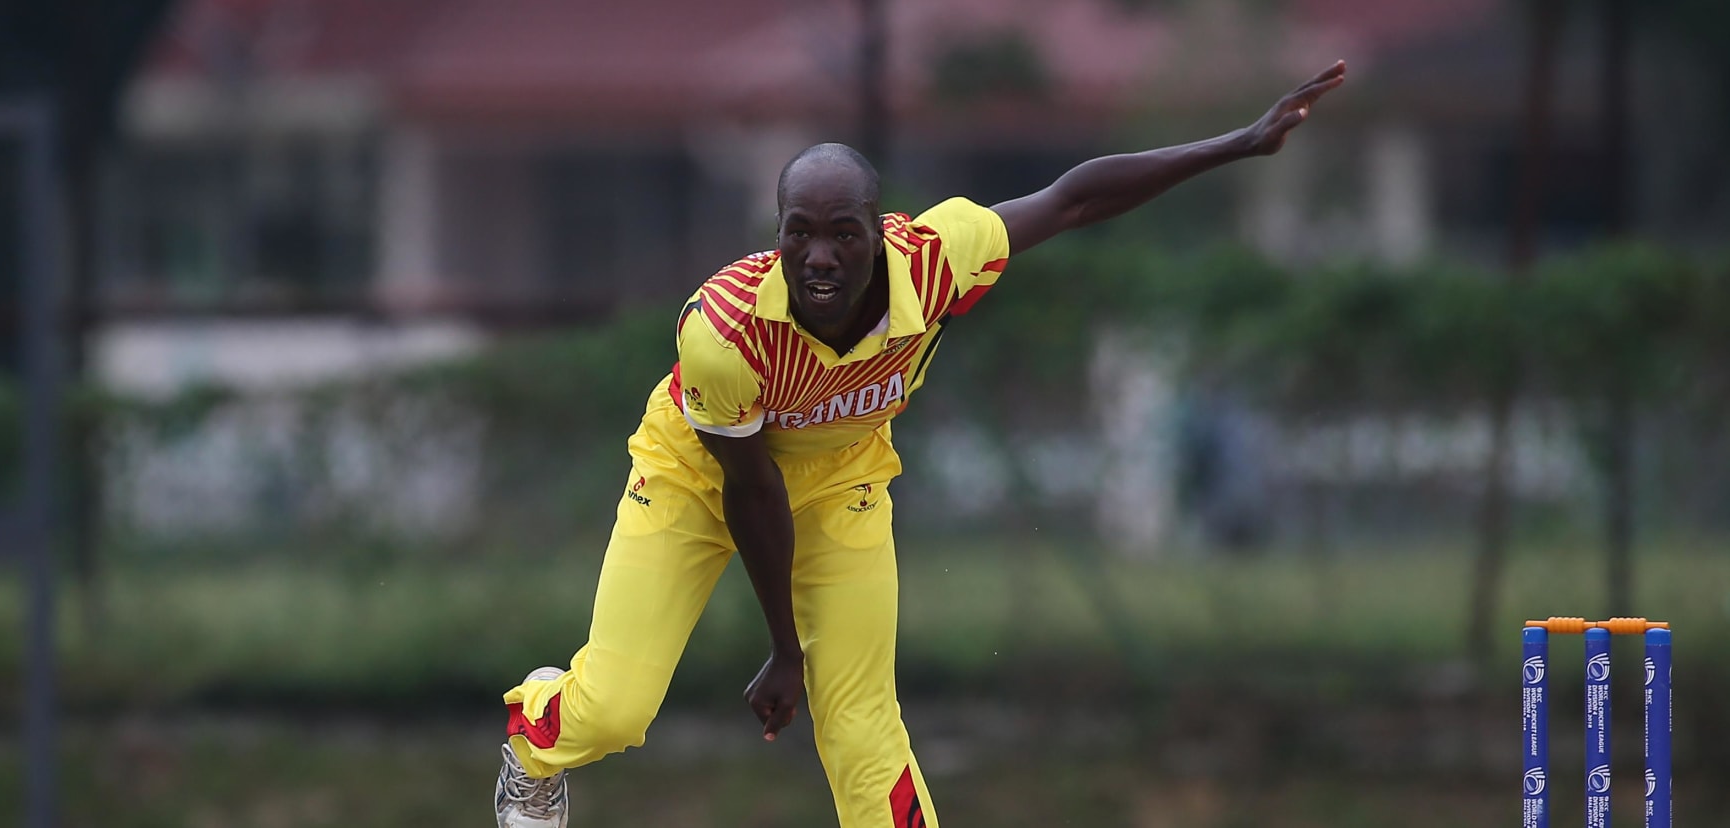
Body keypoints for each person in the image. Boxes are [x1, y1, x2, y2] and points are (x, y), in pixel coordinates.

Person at [495, 60, 1348, 828]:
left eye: (843, 234)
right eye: (798, 233)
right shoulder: (724, 332)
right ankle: (533, 743)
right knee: (614, 712)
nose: (820, 258)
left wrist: (1238, 143)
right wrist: (787, 652)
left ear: (881, 232)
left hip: (841, 484)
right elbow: (750, 496)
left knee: (863, 728)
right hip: (699, 478)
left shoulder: (938, 259)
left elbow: (1075, 197)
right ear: (777, 232)